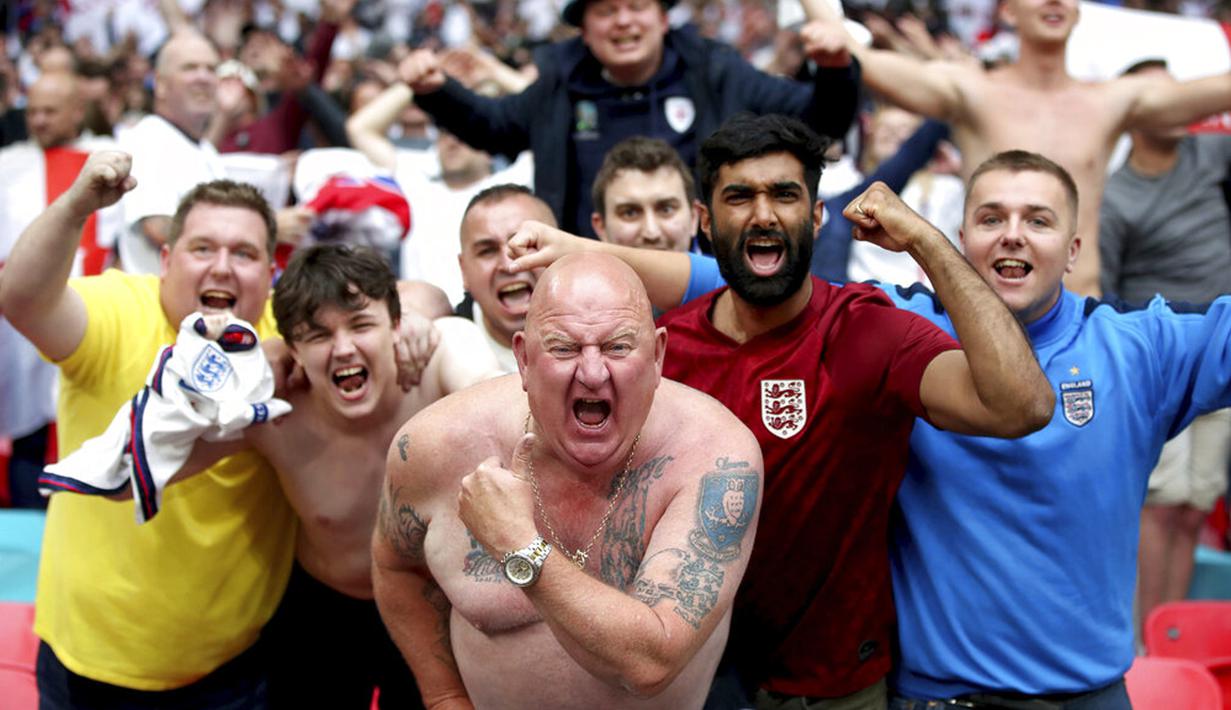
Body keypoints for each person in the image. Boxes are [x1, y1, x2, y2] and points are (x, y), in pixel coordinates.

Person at [505, 113, 1054, 707]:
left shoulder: (866, 331)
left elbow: (1020, 406)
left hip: (836, 690)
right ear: (707, 222)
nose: (763, 214)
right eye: (739, 197)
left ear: (816, 215)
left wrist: (926, 240)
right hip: (687, 680)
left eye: (785, 195)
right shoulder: (666, 348)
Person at [372, 251, 764, 708]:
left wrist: (520, 545)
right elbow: (395, 564)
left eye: (618, 346)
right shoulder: (436, 445)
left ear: (658, 355)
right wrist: (443, 697)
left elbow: (650, 663)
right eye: (564, 348)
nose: (593, 373)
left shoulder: (715, 457)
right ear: (523, 358)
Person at [0, 151, 296, 706]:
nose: (222, 267)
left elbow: (388, 313)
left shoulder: (293, 333)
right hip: (86, 661)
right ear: (165, 259)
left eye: (245, 253)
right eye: (202, 248)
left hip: (230, 669)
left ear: (271, 272)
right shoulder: (119, 309)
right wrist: (77, 205)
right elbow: (19, 298)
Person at [798, 0, 1231, 297]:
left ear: (1079, 11)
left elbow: (1218, 90)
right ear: (1006, 10)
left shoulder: (1110, 101)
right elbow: (853, 53)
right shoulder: (972, 91)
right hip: (989, 318)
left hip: (1083, 313)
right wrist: (824, 28)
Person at [397, 0, 860, 235]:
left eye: (637, 5)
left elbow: (816, 124)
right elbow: (494, 126)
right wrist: (438, 92)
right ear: (583, 26)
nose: (623, 21)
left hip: (701, 275)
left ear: (662, 18)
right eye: (607, 10)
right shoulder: (561, 81)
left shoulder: (714, 70)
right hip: (586, 276)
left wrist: (837, 68)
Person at [1099, 58, 1231, 634]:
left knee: (1194, 504)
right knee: (1157, 505)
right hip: (1162, 364)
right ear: (1132, 112)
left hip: (1225, 351)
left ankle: (1174, 634)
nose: (1176, 101)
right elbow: (1102, 291)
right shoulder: (1114, 196)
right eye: (1158, 93)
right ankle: (1148, 644)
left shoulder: (1212, 155)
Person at [0, 71, 117, 508]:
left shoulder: (104, 161)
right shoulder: (7, 162)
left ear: (75, 110)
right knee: (26, 429)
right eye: (32, 112)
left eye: (50, 111)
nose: (39, 120)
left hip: (87, 315)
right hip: (16, 325)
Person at [345, 78, 533, 304]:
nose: (452, 142)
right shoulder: (415, 180)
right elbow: (360, 128)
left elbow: (550, 112)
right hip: (424, 323)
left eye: (462, 132)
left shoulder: (514, 183)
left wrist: (492, 70)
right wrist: (419, 80)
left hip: (495, 316)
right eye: (444, 132)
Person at [115, 32, 229, 275]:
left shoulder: (205, 149)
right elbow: (158, 228)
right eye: (190, 68)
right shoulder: (147, 137)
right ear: (161, 85)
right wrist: (250, 231)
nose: (203, 77)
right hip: (155, 305)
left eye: (211, 69)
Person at [455, 184, 555, 372]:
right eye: (487, 251)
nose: (509, 265)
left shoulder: (608, 332)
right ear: (463, 270)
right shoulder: (435, 349)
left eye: (527, 243)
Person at [590, 136, 698, 253]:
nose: (651, 233)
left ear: (693, 218)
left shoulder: (719, 271)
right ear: (601, 227)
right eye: (630, 213)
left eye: (666, 209)